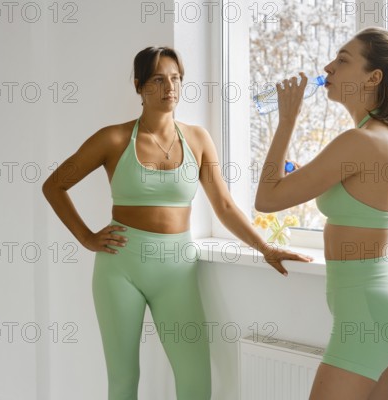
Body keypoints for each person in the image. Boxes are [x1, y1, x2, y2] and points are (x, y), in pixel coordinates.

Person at [42, 46, 312, 400]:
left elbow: (226, 207)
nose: (170, 87)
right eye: (158, 79)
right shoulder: (114, 138)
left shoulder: (198, 139)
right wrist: (87, 237)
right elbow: (54, 185)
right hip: (120, 267)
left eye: (176, 78)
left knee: (195, 380)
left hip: (177, 269)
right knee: (123, 380)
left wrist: (265, 247)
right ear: (139, 86)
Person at [255, 27, 388, 400]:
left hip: (365, 307)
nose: (329, 66)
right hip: (383, 297)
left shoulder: (358, 141)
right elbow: (357, 196)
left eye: (343, 60)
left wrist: (287, 120)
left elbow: (266, 198)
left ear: (373, 77)